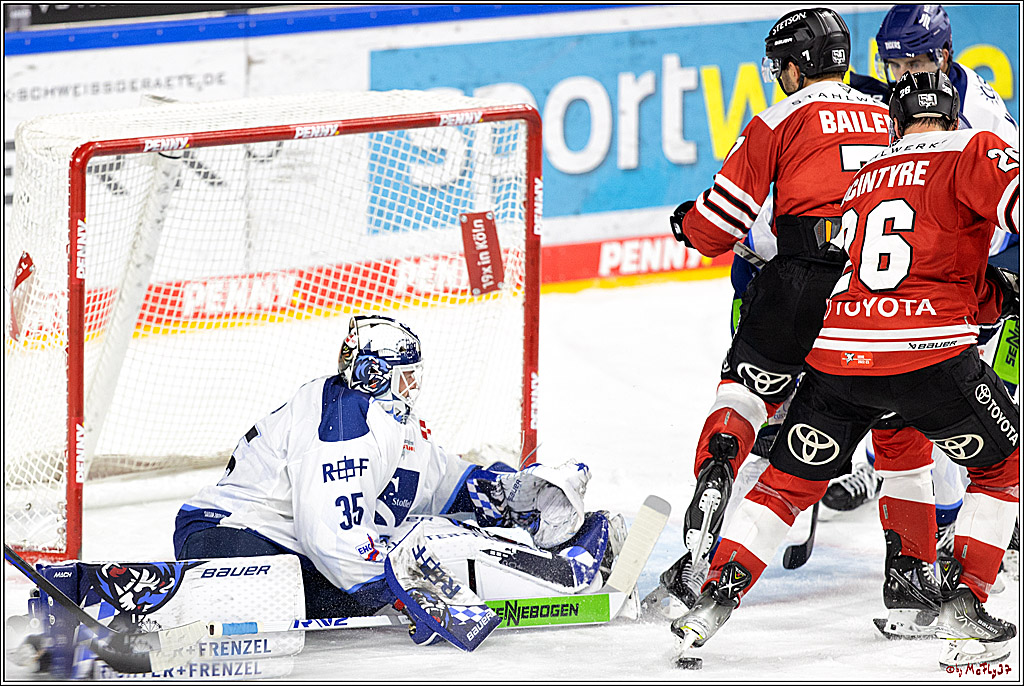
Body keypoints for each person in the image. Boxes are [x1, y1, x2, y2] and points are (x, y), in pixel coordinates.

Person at [672, 69, 1019, 669]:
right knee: (1004, 466)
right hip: (928, 357)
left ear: (897, 120)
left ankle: (711, 598)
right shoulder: (975, 147)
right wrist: (1004, 292)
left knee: (786, 484)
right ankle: (964, 599)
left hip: (839, 355)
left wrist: (994, 292)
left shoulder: (867, 176)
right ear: (953, 114)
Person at [644, 7, 891, 612]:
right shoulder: (889, 115)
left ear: (796, 66)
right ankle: (914, 569)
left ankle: (720, 475)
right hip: (874, 291)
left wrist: (686, 222)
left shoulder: (777, 117)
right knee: (877, 423)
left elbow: (719, 224)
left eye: (780, 64)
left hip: (795, 283)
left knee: (745, 398)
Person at [173, 315, 622, 640]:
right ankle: (561, 576)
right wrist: (408, 591)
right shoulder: (343, 419)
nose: (412, 389)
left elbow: (439, 482)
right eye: (405, 378)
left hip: (291, 550)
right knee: (417, 554)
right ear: (373, 374)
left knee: (434, 537)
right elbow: (330, 537)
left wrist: (514, 493)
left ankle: (552, 568)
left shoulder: (395, 422)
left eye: (415, 377)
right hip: (231, 539)